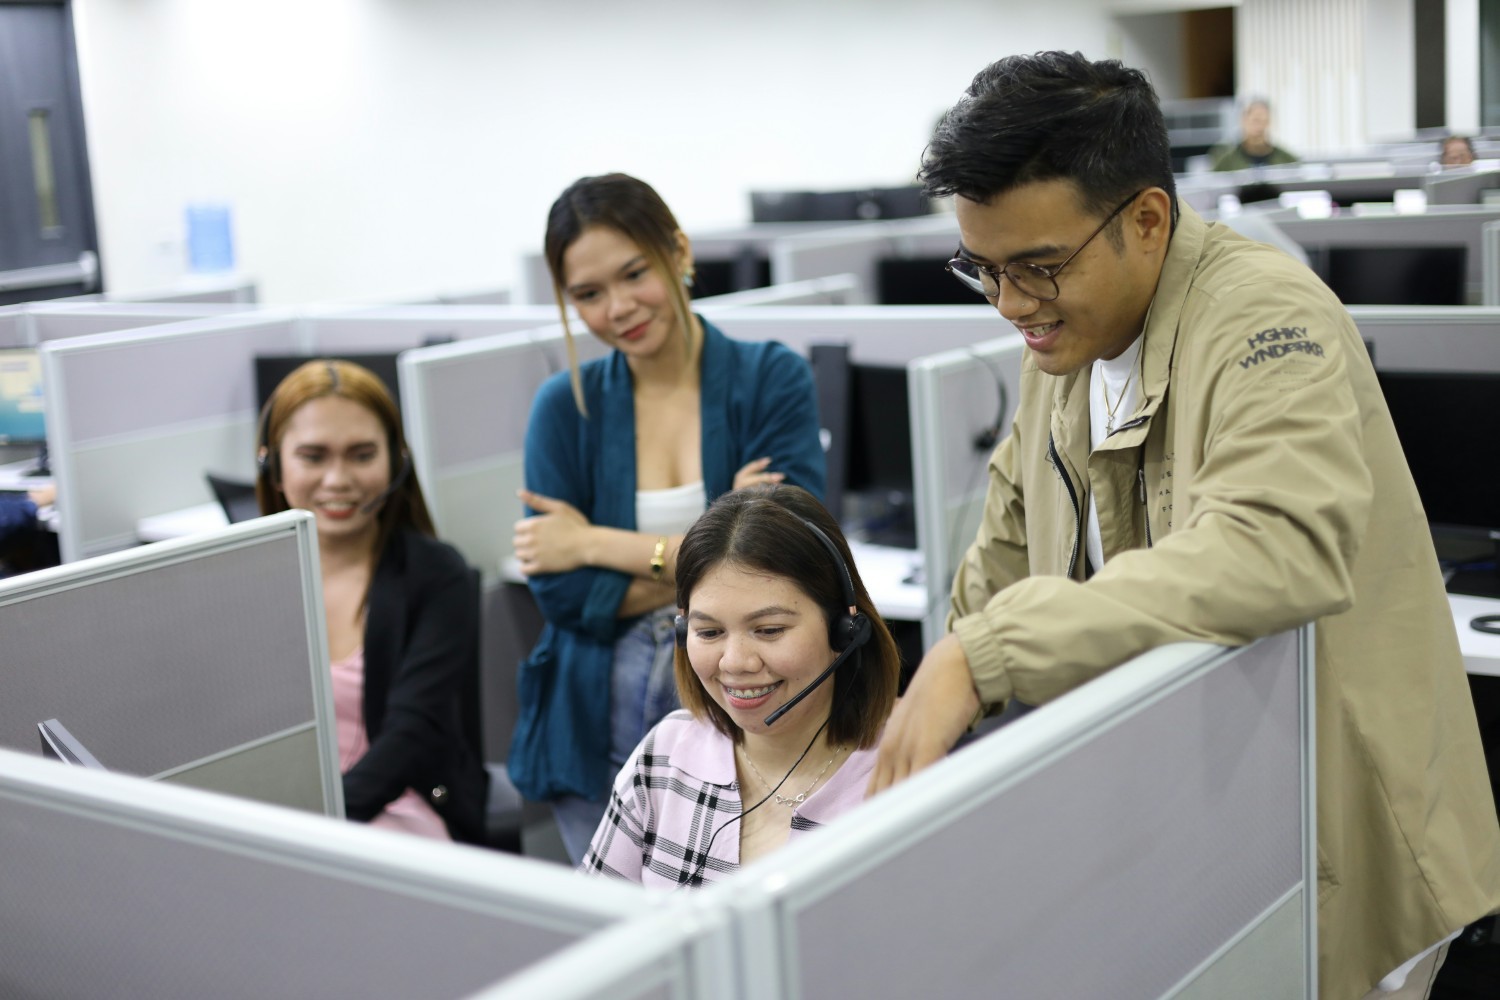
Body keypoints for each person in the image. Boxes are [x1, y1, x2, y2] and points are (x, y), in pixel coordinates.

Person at [870, 52, 1500, 1000]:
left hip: (1336, 839)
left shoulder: (1264, 316)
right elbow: (999, 554)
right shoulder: (1068, 352)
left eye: (1038, 267)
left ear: (1148, 218)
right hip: (1201, 832)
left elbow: (1275, 544)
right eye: (984, 270)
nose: (1010, 306)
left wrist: (988, 654)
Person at [508, 173, 826, 864]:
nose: (618, 308)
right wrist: (719, 544)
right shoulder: (564, 408)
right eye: (588, 294)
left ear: (677, 251)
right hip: (593, 715)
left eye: (634, 273)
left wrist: (590, 541)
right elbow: (560, 595)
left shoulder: (769, 378)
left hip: (747, 699)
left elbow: (791, 558)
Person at [581, 484, 900, 886]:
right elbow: (589, 931)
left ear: (845, 631)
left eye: (768, 630)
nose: (735, 663)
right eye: (710, 632)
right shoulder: (665, 757)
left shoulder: (903, 779)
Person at [257, 360, 488, 844]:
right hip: (272, 814)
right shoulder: (243, 578)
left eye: (362, 455)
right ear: (273, 466)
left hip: (395, 806)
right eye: (313, 457)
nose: (338, 479)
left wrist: (316, 827)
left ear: (396, 461)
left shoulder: (436, 574)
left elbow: (413, 733)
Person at [1210, 97, 1298, 170]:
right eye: (1255, 120)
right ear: (1243, 121)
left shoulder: (1286, 160)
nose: (1259, 127)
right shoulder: (1227, 161)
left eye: (1264, 121)